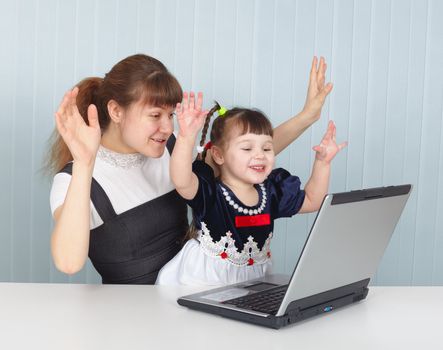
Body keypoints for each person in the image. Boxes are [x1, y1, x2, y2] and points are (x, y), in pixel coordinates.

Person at [48, 53, 332, 284]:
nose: (168, 127)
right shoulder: (74, 179)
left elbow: (237, 160)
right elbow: (69, 263)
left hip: (193, 297)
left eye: (171, 115)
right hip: (131, 319)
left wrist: (307, 117)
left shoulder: (171, 148)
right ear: (116, 111)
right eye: (155, 115)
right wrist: (85, 163)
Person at [156, 95, 346, 286]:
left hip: (253, 283)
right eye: (247, 148)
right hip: (203, 281)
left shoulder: (271, 192)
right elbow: (181, 180)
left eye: (267, 148)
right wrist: (186, 136)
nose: (259, 155)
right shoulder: (210, 193)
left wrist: (323, 163)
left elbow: (313, 200)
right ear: (219, 155)